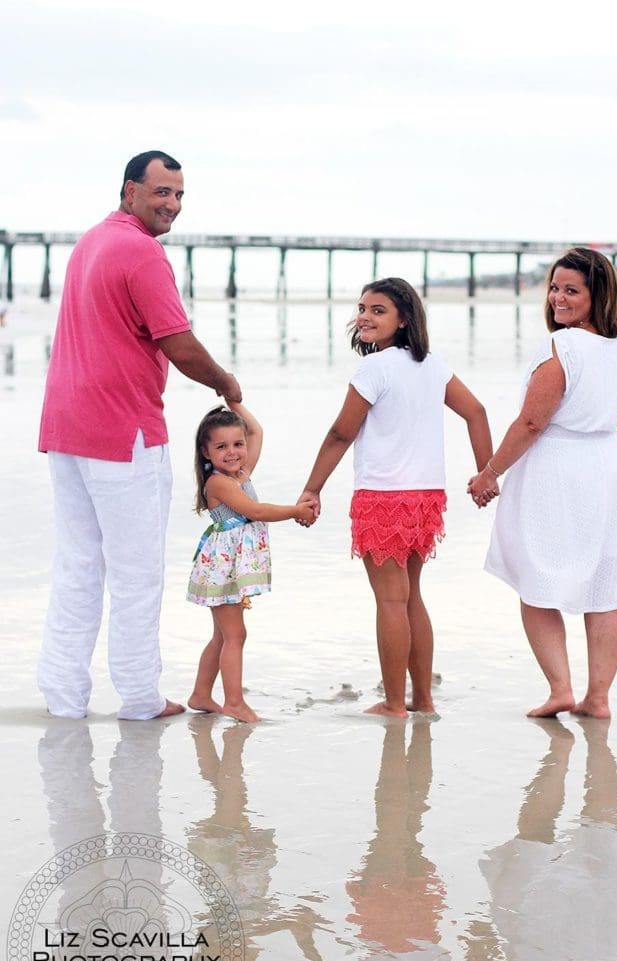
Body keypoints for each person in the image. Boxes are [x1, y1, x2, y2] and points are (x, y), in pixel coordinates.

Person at [37, 150, 243, 721]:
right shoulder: (141, 251)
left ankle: (63, 697)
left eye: (179, 195)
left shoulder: (90, 242)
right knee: (137, 572)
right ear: (130, 191)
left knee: (78, 564)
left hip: (66, 428)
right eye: (161, 193)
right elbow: (177, 344)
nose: (172, 205)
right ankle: (138, 697)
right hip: (122, 432)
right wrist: (226, 383)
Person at [298, 277, 493, 718]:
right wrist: (485, 473)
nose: (365, 316)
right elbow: (476, 412)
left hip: (384, 497)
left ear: (404, 319)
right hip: (426, 498)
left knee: (390, 600)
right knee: (411, 598)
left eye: (378, 310)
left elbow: (340, 433)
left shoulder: (374, 369)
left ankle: (393, 704)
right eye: (362, 308)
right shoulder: (432, 366)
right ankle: (422, 700)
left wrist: (311, 489)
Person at [468, 247, 617, 719]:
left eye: (571, 290)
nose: (558, 298)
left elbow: (530, 423)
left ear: (596, 295)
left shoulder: (561, 347)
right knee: (606, 586)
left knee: (537, 576)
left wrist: (489, 473)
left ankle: (561, 688)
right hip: (609, 467)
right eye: (555, 287)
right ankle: (598, 699)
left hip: (559, 469)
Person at [186, 403, 317, 722]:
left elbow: (256, 430)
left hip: (230, 567)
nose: (232, 452)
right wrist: (295, 511)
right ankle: (234, 701)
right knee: (235, 636)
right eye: (221, 447)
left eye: (237, 444)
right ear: (206, 452)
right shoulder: (219, 483)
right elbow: (255, 512)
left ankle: (201, 694)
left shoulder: (240, 473)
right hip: (223, 568)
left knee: (222, 636)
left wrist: (233, 400)